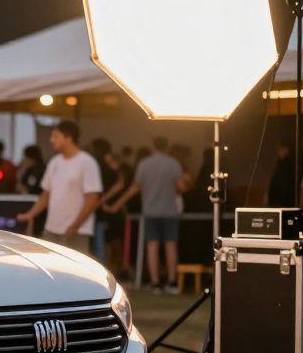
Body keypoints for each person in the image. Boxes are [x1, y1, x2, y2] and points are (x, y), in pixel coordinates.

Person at [106, 137, 190, 293]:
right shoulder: (173, 164)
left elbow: (134, 188)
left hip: (150, 211)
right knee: (171, 247)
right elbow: (182, 188)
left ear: (153, 147)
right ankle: (172, 283)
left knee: (152, 247)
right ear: (167, 146)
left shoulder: (144, 164)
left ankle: (155, 283)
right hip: (170, 211)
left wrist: (116, 204)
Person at [18, 121, 102, 254]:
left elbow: (92, 198)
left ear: (68, 137)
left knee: (73, 271)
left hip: (76, 230)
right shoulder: (54, 162)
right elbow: (46, 194)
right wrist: (31, 214)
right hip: (52, 228)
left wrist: (75, 225)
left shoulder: (87, 162)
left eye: (56, 136)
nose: (52, 140)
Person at [267, 141, 297, 207]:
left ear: (286, 150)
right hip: (277, 200)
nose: (278, 151)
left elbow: (283, 184)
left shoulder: (287, 165)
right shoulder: (280, 163)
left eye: (280, 149)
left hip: (282, 201)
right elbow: (274, 181)